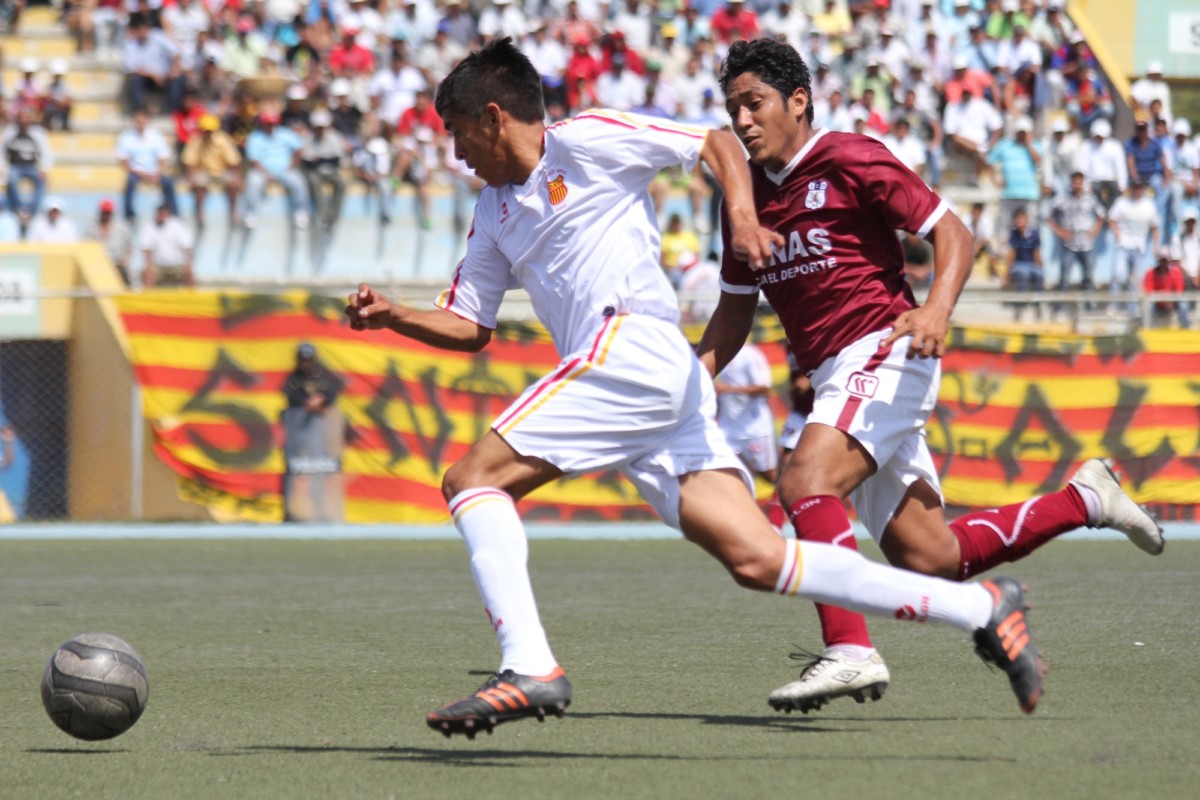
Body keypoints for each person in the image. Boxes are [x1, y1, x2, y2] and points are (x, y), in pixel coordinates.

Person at [346, 38, 1051, 740]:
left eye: (459, 133)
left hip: (633, 347)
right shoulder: (493, 213)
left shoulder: (585, 140)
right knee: (759, 559)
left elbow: (713, 144)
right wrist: (394, 316)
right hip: (660, 386)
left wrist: (743, 216)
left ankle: (529, 664)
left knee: (472, 480)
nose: (457, 152)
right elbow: (471, 325)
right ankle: (982, 609)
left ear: (495, 117)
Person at [695, 38, 1161, 715]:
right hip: (837, 379)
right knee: (932, 557)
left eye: (754, 103)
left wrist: (937, 307)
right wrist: (683, 383)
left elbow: (954, 233)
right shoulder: (742, 204)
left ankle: (851, 650)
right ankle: (1086, 500)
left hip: (885, 347)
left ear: (798, 102)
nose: (742, 120)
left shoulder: (848, 156)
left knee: (804, 481)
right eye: (732, 107)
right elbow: (731, 318)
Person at [714, 339, 779, 492]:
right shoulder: (722, 353)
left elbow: (764, 388)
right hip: (727, 429)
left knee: (770, 476)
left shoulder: (751, 354)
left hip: (754, 427)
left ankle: (791, 506)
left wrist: (730, 389)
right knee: (731, 477)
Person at [181, 113, 243, 230]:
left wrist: (237, 177)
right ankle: (200, 212)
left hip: (221, 172)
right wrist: (190, 178)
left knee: (234, 184)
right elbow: (189, 162)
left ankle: (234, 212)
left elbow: (234, 161)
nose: (207, 133)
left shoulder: (223, 140)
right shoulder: (196, 140)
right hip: (203, 172)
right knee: (199, 185)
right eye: (205, 130)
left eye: (210, 130)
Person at [1108, 181, 1160, 314]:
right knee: (1118, 275)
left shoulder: (1149, 206)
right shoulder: (1122, 202)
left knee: (1134, 279)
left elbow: (1155, 227)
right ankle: (1114, 305)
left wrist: (1155, 246)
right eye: (1135, 188)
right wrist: (1117, 233)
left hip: (1139, 247)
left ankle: (1132, 307)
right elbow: (1112, 219)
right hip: (1123, 244)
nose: (1137, 191)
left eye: (1139, 188)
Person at [117, 108, 178, 221]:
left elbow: (163, 158)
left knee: (169, 183)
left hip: (154, 172)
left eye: (143, 121)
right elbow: (123, 161)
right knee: (129, 183)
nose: (141, 124)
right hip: (136, 172)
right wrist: (136, 171)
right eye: (138, 121)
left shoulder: (156, 136)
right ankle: (129, 215)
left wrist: (159, 173)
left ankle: (174, 214)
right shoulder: (127, 137)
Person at [139, 204, 194, 288]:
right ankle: (148, 299)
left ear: (168, 214)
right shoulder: (150, 227)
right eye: (159, 213)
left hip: (176, 266)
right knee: (147, 274)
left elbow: (187, 247)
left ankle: (191, 299)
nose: (161, 216)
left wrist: (188, 265)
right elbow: (147, 249)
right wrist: (148, 266)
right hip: (158, 266)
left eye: (163, 213)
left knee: (189, 274)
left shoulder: (177, 226)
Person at [1005, 207, 1043, 322]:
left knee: (1039, 275)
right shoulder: (1014, 234)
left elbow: (1036, 252)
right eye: (1017, 220)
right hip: (1019, 264)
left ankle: (1037, 304)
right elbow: (1012, 254)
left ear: (1026, 220)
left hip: (1030, 263)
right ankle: (1019, 306)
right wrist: (1007, 273)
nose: (1019, 222)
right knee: (1023, 274)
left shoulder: (1034, 234)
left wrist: (1040, 266)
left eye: (1021, 219)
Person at [86, 198, 135, 285]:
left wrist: (124, 261)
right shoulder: (92, 228)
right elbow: (86, 246)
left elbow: (130, 247)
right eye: (104, 212)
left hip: (118, 265)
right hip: (99, 266)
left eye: (108, 212)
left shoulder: (122, 228)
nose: (106, 215)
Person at [1142, 247, 1189, 328]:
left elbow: (1179, 291)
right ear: (1158, 260)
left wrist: (1171, 301)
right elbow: (1148, 292)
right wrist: (1162, 300)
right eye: (1162, 260)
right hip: (1157, 303)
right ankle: (1147, 328)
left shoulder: (1176, 272)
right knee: (1148, 305)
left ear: (1169, 260)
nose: (1163, 263)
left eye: (1165, 260)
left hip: (1172, 303)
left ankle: (1185, 328)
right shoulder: (1150, 273)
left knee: (1183, 304)